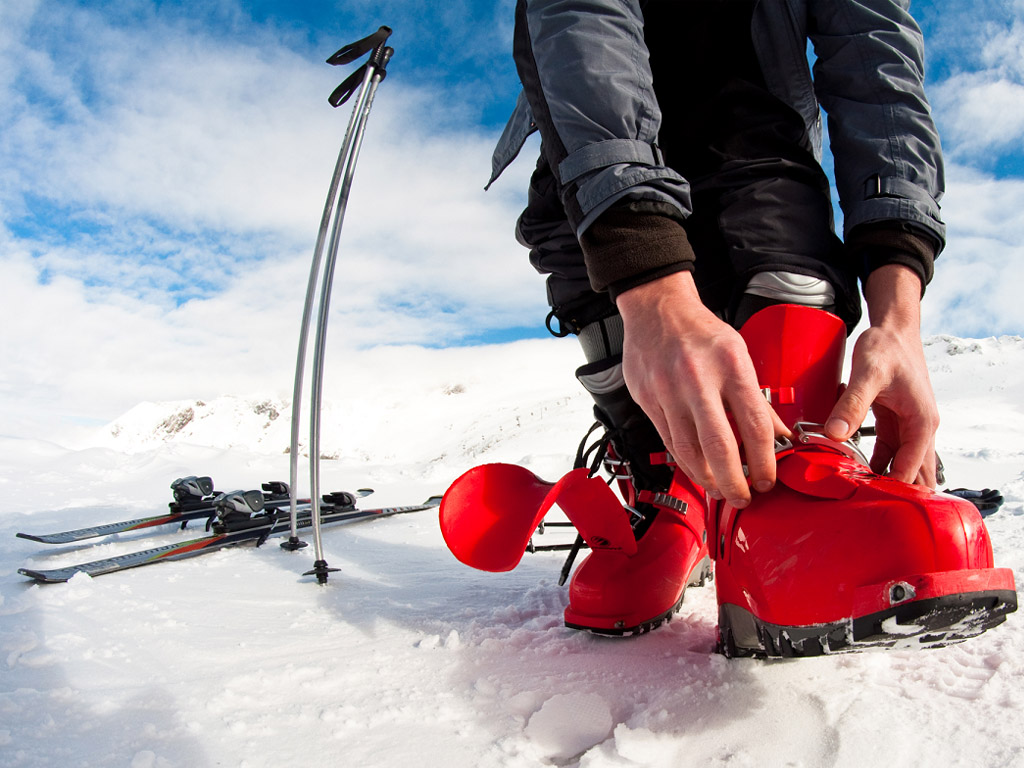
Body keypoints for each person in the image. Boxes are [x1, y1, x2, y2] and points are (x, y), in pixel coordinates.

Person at [470, 0, 1022, 651]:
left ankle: (785, 496)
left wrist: (898, 310)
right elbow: (578, 17)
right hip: (588, 136)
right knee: (594, 283)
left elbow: (875, 53)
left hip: (749, 126)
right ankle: (666, 489)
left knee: (786, 273)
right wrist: (648, 279)